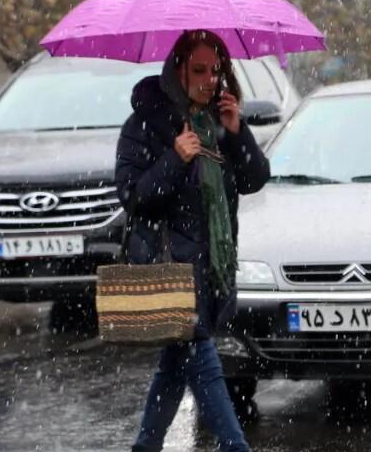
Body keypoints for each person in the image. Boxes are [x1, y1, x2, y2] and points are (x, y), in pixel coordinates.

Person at [115, 30, 270, 452]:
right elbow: (133, 196)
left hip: (211, 265)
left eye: (215, 70)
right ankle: (236, 448)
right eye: (198, 70)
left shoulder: (217, 123)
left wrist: (238, 132)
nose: (208, 79)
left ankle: (145, 447)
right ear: (177, 70)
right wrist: (174, 158)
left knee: (174, 365)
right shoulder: (146, 124)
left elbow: (255, 179)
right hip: (170, 268)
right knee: (203, 363)